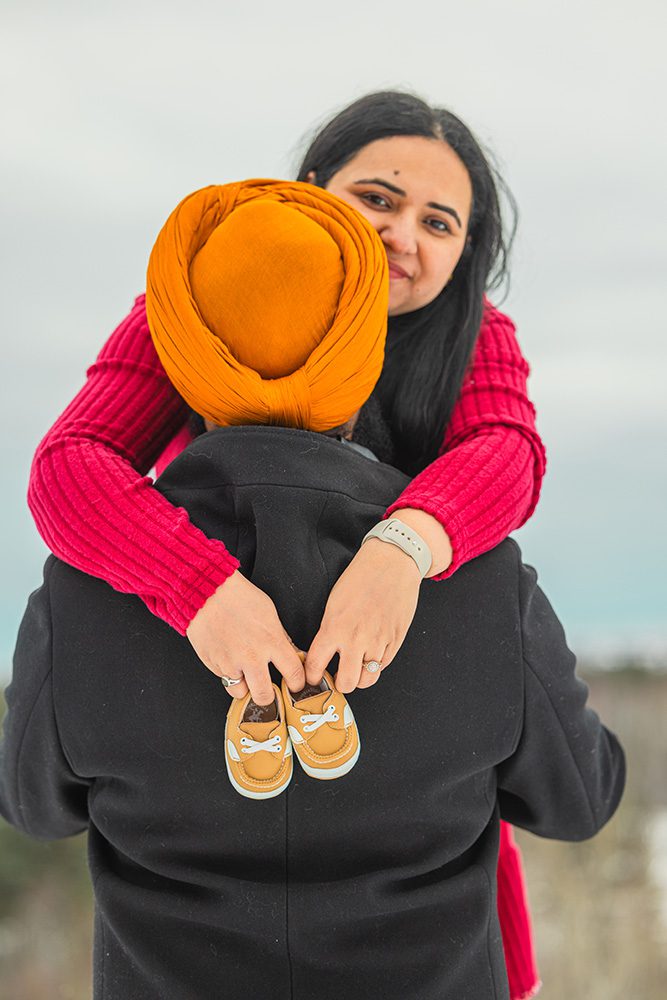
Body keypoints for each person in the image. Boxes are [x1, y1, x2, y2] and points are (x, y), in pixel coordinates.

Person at [1, 179, 625, 999]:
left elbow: (34, 806)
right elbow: (579, 798)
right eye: (378, 205)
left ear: (180, 353)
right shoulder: (485, 587)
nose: (402, 237)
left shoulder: (81, 594)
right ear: (364, 355)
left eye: (437, 221)